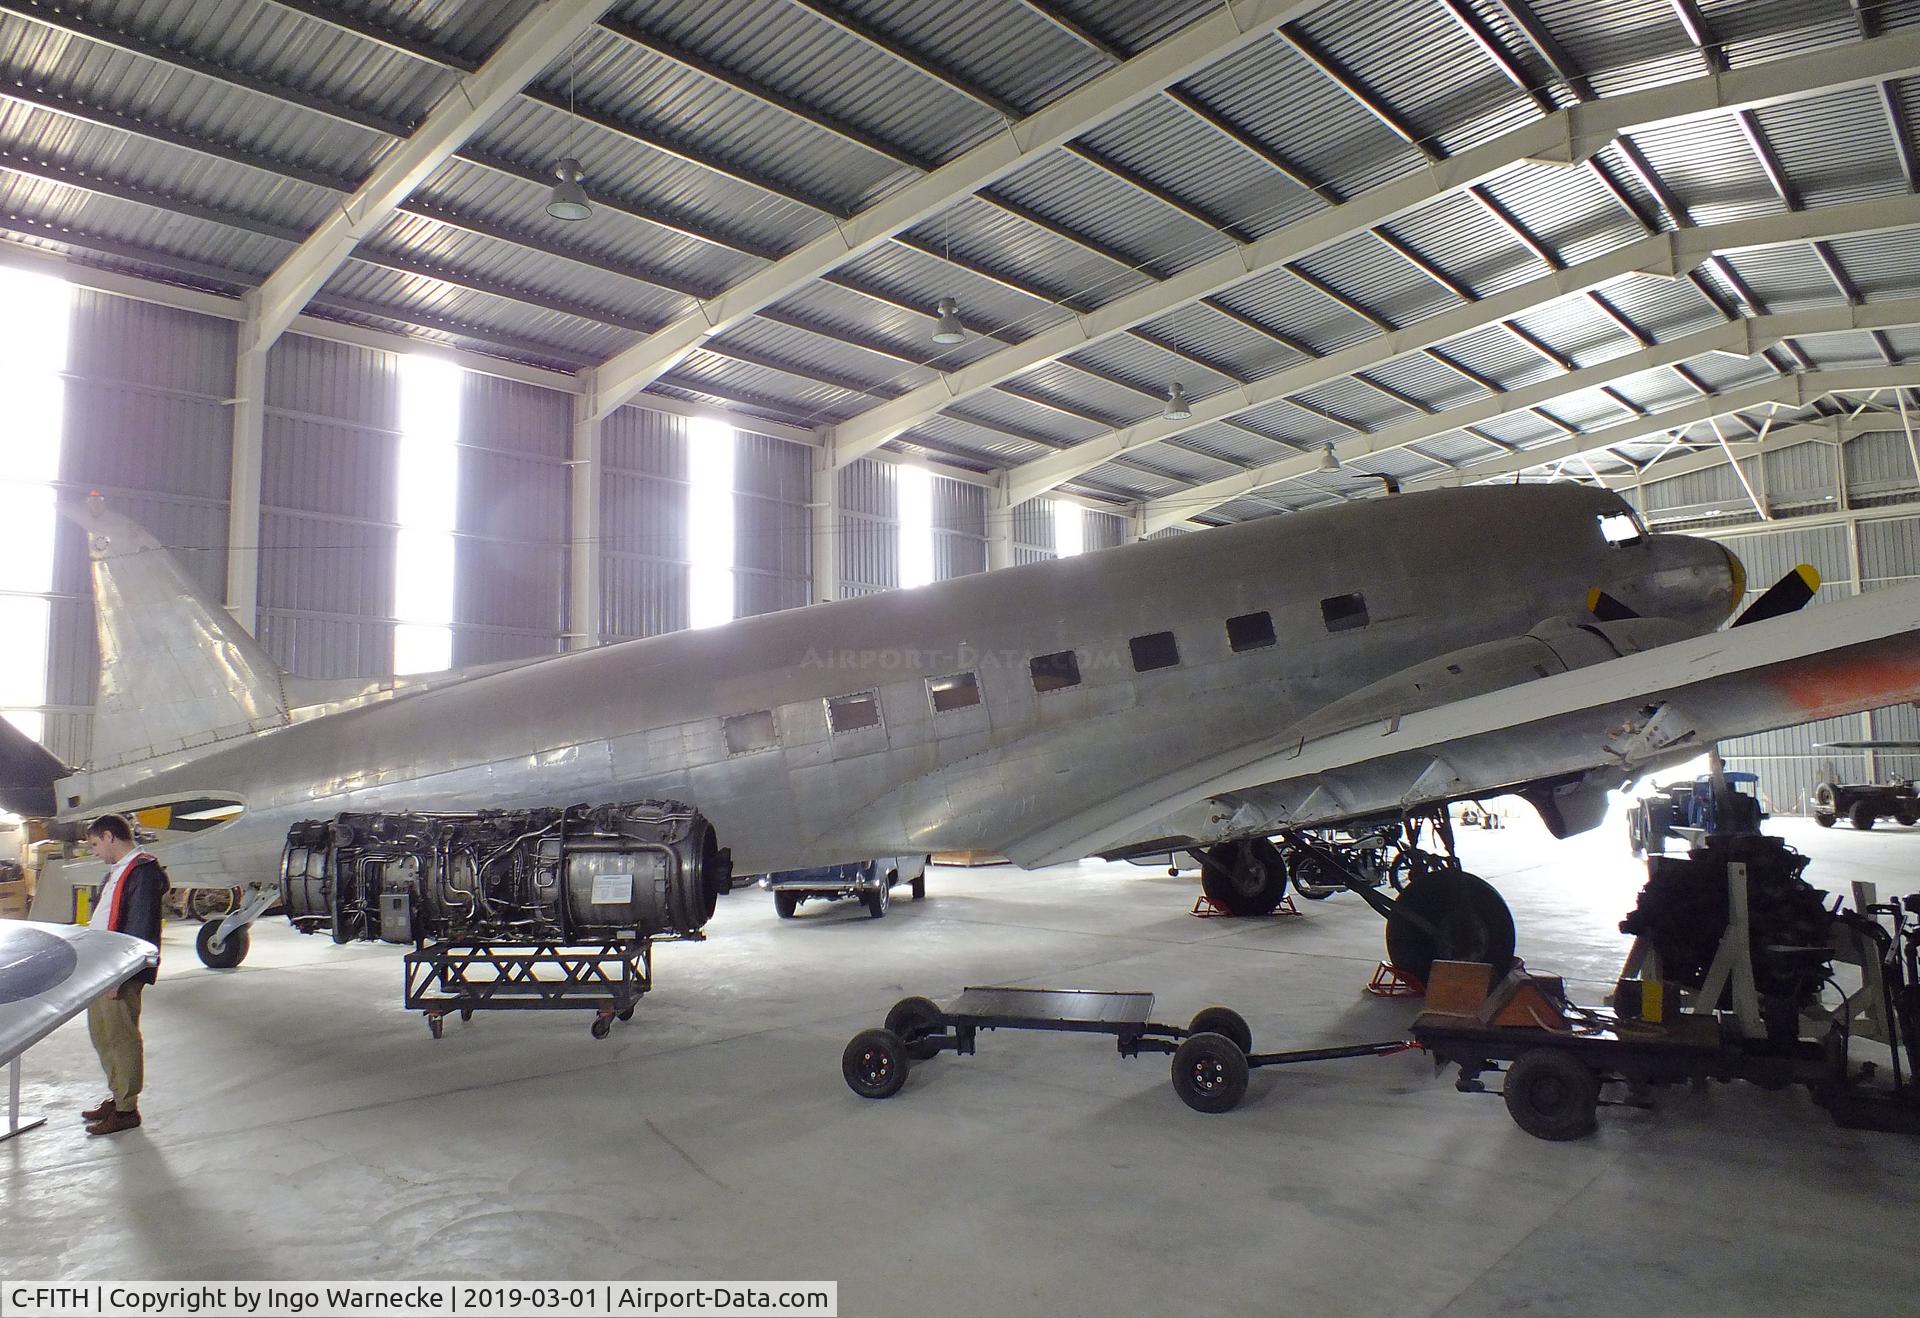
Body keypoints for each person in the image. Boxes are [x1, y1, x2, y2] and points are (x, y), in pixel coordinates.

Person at [80, 814, 169, 1136]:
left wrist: (119, 976)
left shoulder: (142, 872)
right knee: (103, 1036)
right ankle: (118, 1095)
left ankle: (126, 1109)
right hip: (102, 970)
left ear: (109, 836)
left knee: (121, 1037)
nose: (93, 851)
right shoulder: (117, 872)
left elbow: (141, 928)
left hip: (117, 974)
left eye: (94, 844)